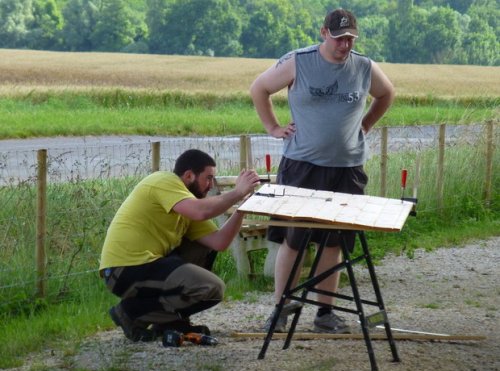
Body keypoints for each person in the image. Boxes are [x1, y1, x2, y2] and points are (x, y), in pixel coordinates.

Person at [250, 8, 395, 333]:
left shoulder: (364, 66)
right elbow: (259, 88)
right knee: (294, 239)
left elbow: (387, 94)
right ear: (324, 33)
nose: (345, 45)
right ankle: (280, 308)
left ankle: (324, 314)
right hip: (302, 167)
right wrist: (273, 127)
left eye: (350, 39)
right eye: (340, 38)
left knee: (334, 243)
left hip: (347, 169)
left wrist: (366, 124)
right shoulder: (298, 61)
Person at [99, 149, 260, 341]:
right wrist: (237, 192)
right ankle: (131, 311)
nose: (210, 185)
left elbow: (219, 242)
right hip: (124, 270)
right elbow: (200, 212)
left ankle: (165, 321)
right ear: (189, 175)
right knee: (211, 288)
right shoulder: (163, 181)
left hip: (146, 266)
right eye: (208, 178)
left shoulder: (188, 205)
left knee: (204, 254)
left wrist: (243, 206)